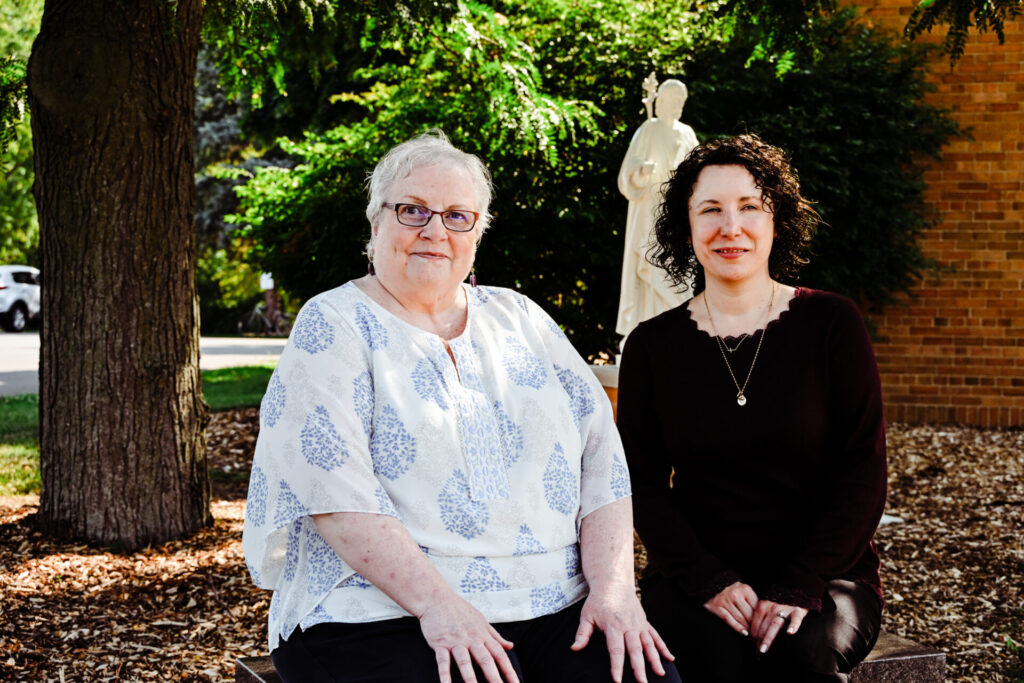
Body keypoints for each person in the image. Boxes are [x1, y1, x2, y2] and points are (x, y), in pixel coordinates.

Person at [242, 130, 680, 683]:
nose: (433, 231)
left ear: (477, 232)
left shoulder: (521, 317)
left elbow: (603, 461)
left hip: (554, 602)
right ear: (376, 222)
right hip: (378, 610)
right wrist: (439, 606)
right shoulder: (334, 324)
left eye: (457, 216)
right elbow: (335, 492)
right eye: (412, 210)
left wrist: (616, 593)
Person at [617, 134, 886, 682]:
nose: (730, 227)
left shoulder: (832, 324)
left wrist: (802, 582)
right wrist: (708, 580)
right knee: (700, 659)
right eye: (710, 209)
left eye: (749, 207)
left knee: (799, 655)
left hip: (826, 575)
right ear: (685, 225)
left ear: (776, 221)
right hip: (698, 576)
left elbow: (864, 471)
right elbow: (638, 482)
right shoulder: (651, 345)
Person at [615, 78, 699, 342]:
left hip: (676, 214)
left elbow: (698, 170)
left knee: (678, 270)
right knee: (651, 267)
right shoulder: (647, 130)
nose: (676, 106)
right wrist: (642, 171)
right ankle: (646, 335)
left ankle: (677, 332)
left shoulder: (686, 133)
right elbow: (627, 176)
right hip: (650, 214)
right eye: (672, 101)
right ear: (660, 100)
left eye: (680, 102)